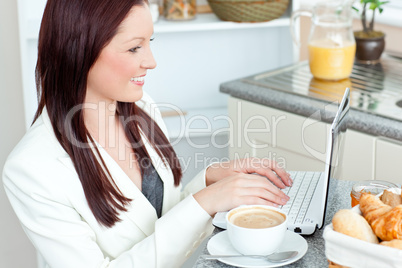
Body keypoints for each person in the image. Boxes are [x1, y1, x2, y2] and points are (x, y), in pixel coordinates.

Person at [2, 0, 292, 267]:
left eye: (149, 43)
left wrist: (209, 182)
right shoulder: (30, 170)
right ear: (78, 50)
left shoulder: (141, 106)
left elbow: (158, 221)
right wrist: (206, 202)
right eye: (134, 48)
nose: (151, 61)